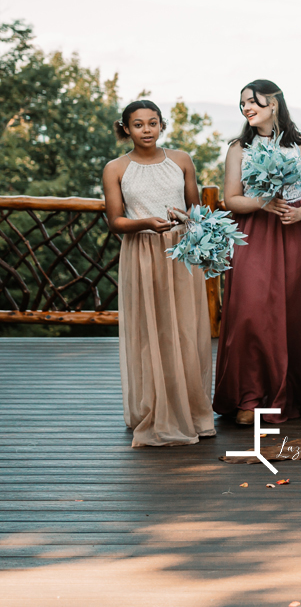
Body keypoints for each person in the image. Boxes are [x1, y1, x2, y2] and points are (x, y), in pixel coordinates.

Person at [102, 100, 214, 447]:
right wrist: (145, 223)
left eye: (152, 123)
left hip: (181, 252)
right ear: (126, 129)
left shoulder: (181, 160)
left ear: (162, 125)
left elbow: (197, 211)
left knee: (184, 329)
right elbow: (115, 221)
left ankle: (193, 412)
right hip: (142, 252)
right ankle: (154, 408)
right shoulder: (115, 168)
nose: (146, 130)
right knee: (151, 330)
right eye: (138, 124)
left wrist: (185, 220)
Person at [212, 80, 301, 425]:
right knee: (251, 311)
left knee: (294, 312)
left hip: (294, 234)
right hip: (254, 234)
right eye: (243, 103)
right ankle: (250, 397)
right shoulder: (238, 149)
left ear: (273, 103)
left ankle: (295, 393)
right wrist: (263, 202)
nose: (247, 108)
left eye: (253, 101)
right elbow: (231, 199)